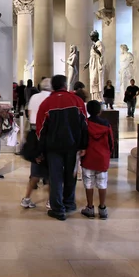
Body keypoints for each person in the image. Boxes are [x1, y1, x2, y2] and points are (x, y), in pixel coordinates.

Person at [36, 75, 88, 221]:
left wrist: (41, 150)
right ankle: (69, 203)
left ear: (53, 86)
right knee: (71, 175)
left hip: (53, 148)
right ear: (65, 85)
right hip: (73, 146)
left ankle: (58, 209)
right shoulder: (77, 101)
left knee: (56, 176)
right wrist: (84, 145)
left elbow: (40, 130)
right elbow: (84, 125)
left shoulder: (47, 103)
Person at [21, 78, 52, 209]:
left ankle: (27, 198)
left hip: (34, 133)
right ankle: (50, 201)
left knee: (35, 171)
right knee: (51, 171)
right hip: (47, 134)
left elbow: (29, 114)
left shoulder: (34, 97)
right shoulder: (52, 98)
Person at [80, 100, 113, 219]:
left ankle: (90, 207)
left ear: (87, 110)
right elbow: (111, 141)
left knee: (89, 183)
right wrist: (108, 153)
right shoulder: (106, 124)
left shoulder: (85, 124)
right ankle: (103, 208)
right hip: (102, 157)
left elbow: (82, 141)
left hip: (88, 157)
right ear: (100, 111)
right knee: (102, 183)